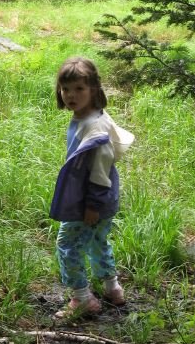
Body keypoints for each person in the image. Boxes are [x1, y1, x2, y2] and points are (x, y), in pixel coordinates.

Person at [49, 57, 134, 317]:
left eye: (79, 89)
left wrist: (92, 205)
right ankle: (112, 288)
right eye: (65, 89)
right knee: (98, 240)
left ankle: (82, 298)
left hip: (90, 200)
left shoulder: (94, 127)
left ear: (94, 89)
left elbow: (99, 171)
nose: (70, 95)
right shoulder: (90, 115)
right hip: (101, 199)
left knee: (67, 244)